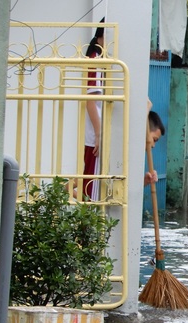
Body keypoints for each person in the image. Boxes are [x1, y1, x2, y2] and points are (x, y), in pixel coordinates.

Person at [82, 18, 105, 200]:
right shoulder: (95, 59)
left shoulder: (104, 61)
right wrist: (99, 134)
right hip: (96, 139)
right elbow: (91, 100)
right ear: (100, 38)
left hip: (99, 136)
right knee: (92, 192)